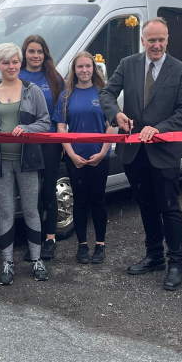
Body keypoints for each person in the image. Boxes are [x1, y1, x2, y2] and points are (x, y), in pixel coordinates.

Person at [99, 17, 182, 292]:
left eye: (161, 39)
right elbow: (107, 93)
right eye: (151, 40)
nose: (156, 45)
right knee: (146, 206)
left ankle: (176, 263)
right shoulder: (128, 64)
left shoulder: (181, 71)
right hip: (133, 152)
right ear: (142, 41)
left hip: (163, 151)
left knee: (169, 208)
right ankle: (154, 256)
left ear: (167, 39)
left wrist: (159, 128)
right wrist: (116, 114)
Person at [0, 42, 51, 285]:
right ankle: (7, 262)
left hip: (27, 160)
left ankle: (36, 259)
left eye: (15, 61)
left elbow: (45, 123)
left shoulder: (33, 91)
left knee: (30, 209)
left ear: (20, 63)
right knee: (6, 212)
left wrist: (27, 128)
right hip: (0, 162)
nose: (11, 66)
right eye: (6, 62)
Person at [53, 52, 116, 265]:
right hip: (75, 157)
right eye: (80, 67)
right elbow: (61, 127)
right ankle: (82, 245)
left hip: (100, 156)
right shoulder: (66, 96)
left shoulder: (104, 94)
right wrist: (71, 154)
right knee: (79, 201)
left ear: (94, 68)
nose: (84, 70)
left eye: (88, 66)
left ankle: (100, 244)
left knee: (98, 201)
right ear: (74, 70)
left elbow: (111, 125)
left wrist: (103, 152)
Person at [20, 35, 65, 261]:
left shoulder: (54, 78)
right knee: (30, 193)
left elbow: (63, 110)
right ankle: (33, 238)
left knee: (47, 190)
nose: (35, 56)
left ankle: (49, 239)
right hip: (24, 143)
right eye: (31, 51)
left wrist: (64, 140)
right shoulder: (16, 75)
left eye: (39, 51)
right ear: (24, 53)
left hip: (49, 143)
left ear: (45, 53)